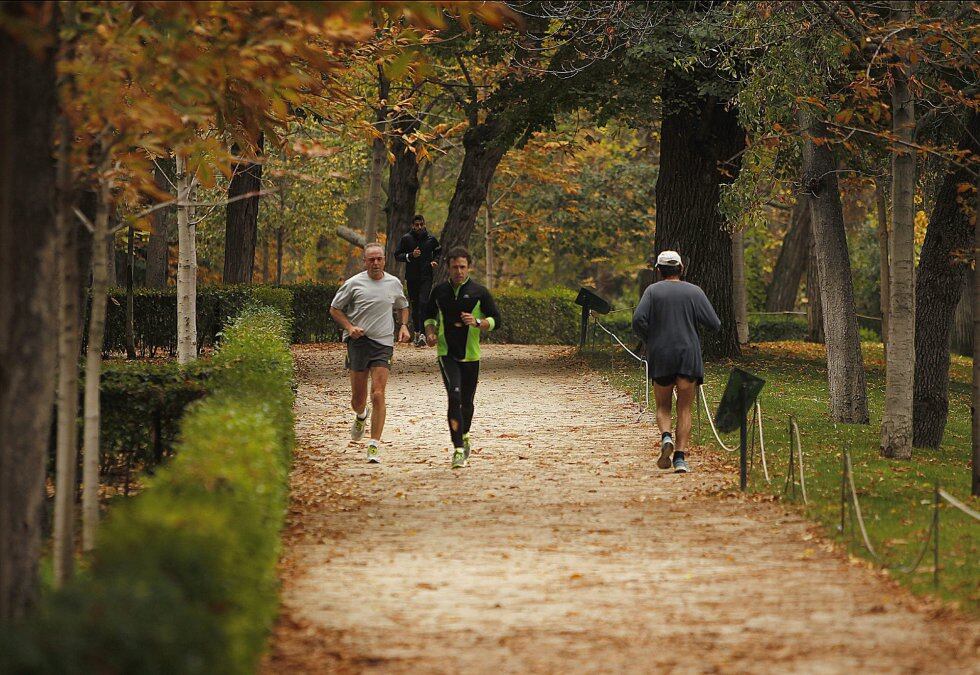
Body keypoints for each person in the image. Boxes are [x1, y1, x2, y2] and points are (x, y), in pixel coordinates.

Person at [632, 250, 721, 474]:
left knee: (663, 406)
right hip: (688, 355)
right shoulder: (694, 292)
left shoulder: (652, 291)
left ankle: (665, 437)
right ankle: (680, 458)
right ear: (681, 269)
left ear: (659, 270)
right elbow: (714, 323)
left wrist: (651, 339)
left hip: (661, 353)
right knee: (684, 408)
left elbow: (638, 320)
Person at [330, 243, 411, 463]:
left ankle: (374, 444)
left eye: (379, 259)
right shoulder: (353, 283)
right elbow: (335, 309)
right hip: (358, 342)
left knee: (378, 393)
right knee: (358, 399)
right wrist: (349, 328)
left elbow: (403, 306)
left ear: (384, 260)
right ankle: (360, 415)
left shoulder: (393, 283)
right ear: (364, 262)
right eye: (371, 260)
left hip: (383, 344)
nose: (376, 263)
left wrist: (403, 325)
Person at [423, 247, 501, 469]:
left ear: (469, 267)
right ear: (448, 267)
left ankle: (464, 434)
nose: (458, 271)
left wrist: (478, 323)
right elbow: (428, 316)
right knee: (454, 396)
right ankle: (457, 449)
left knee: (466, 402)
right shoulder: (439, 292)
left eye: (462, 267)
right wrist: (430, 332)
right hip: (446, 353)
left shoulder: (479, 292)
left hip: (471, 354)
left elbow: (496, 319)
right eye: (454, 267)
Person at [394, 214, 441, 346]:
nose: (419, 227)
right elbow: (397, 255)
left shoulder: (431, 239)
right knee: (415, 306)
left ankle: (423, 335)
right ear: (412, 226)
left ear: (424, 224)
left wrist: (434, 261)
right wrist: (410, 255)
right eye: (416, 225)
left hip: (426, 277)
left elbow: (438, 251)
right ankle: (417, 333)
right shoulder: (406, 239)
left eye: (421, 224)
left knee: (423, 303)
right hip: (412, 277)